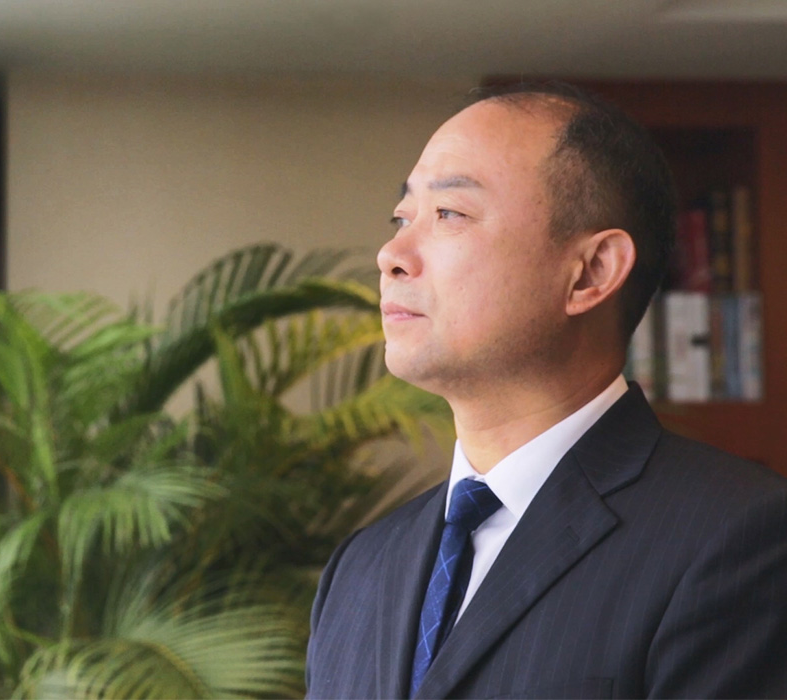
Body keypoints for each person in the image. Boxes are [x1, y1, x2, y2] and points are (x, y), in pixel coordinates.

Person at [305, 82, 787, 699]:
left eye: (449, 213)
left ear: (591, 272)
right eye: (402, 217)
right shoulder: (360, 566)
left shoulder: (739, 535)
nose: (391, 254)